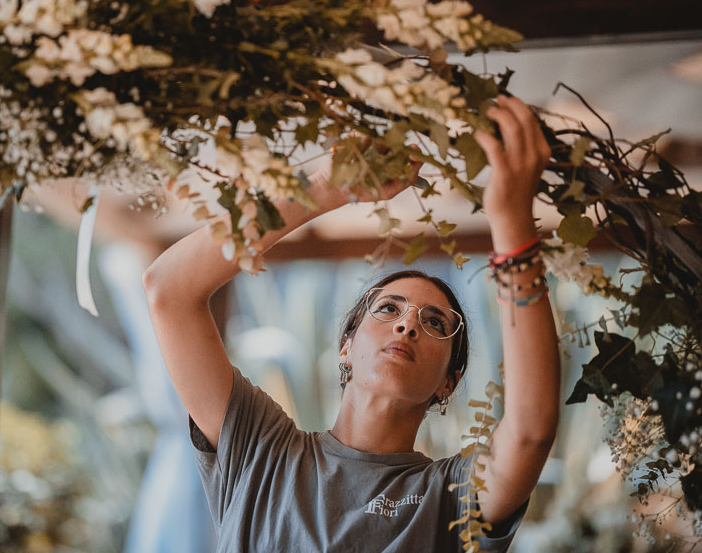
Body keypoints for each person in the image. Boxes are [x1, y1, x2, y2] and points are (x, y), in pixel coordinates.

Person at [143, 95, 560, 552]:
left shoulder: (450, 496)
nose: (407, 326)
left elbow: (530, 430)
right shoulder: (260, 450)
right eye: (387, 309)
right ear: (346, 345)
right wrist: (326, 186)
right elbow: (168, 289)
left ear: (449, 382)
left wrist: (512, 222)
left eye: (435, 322)